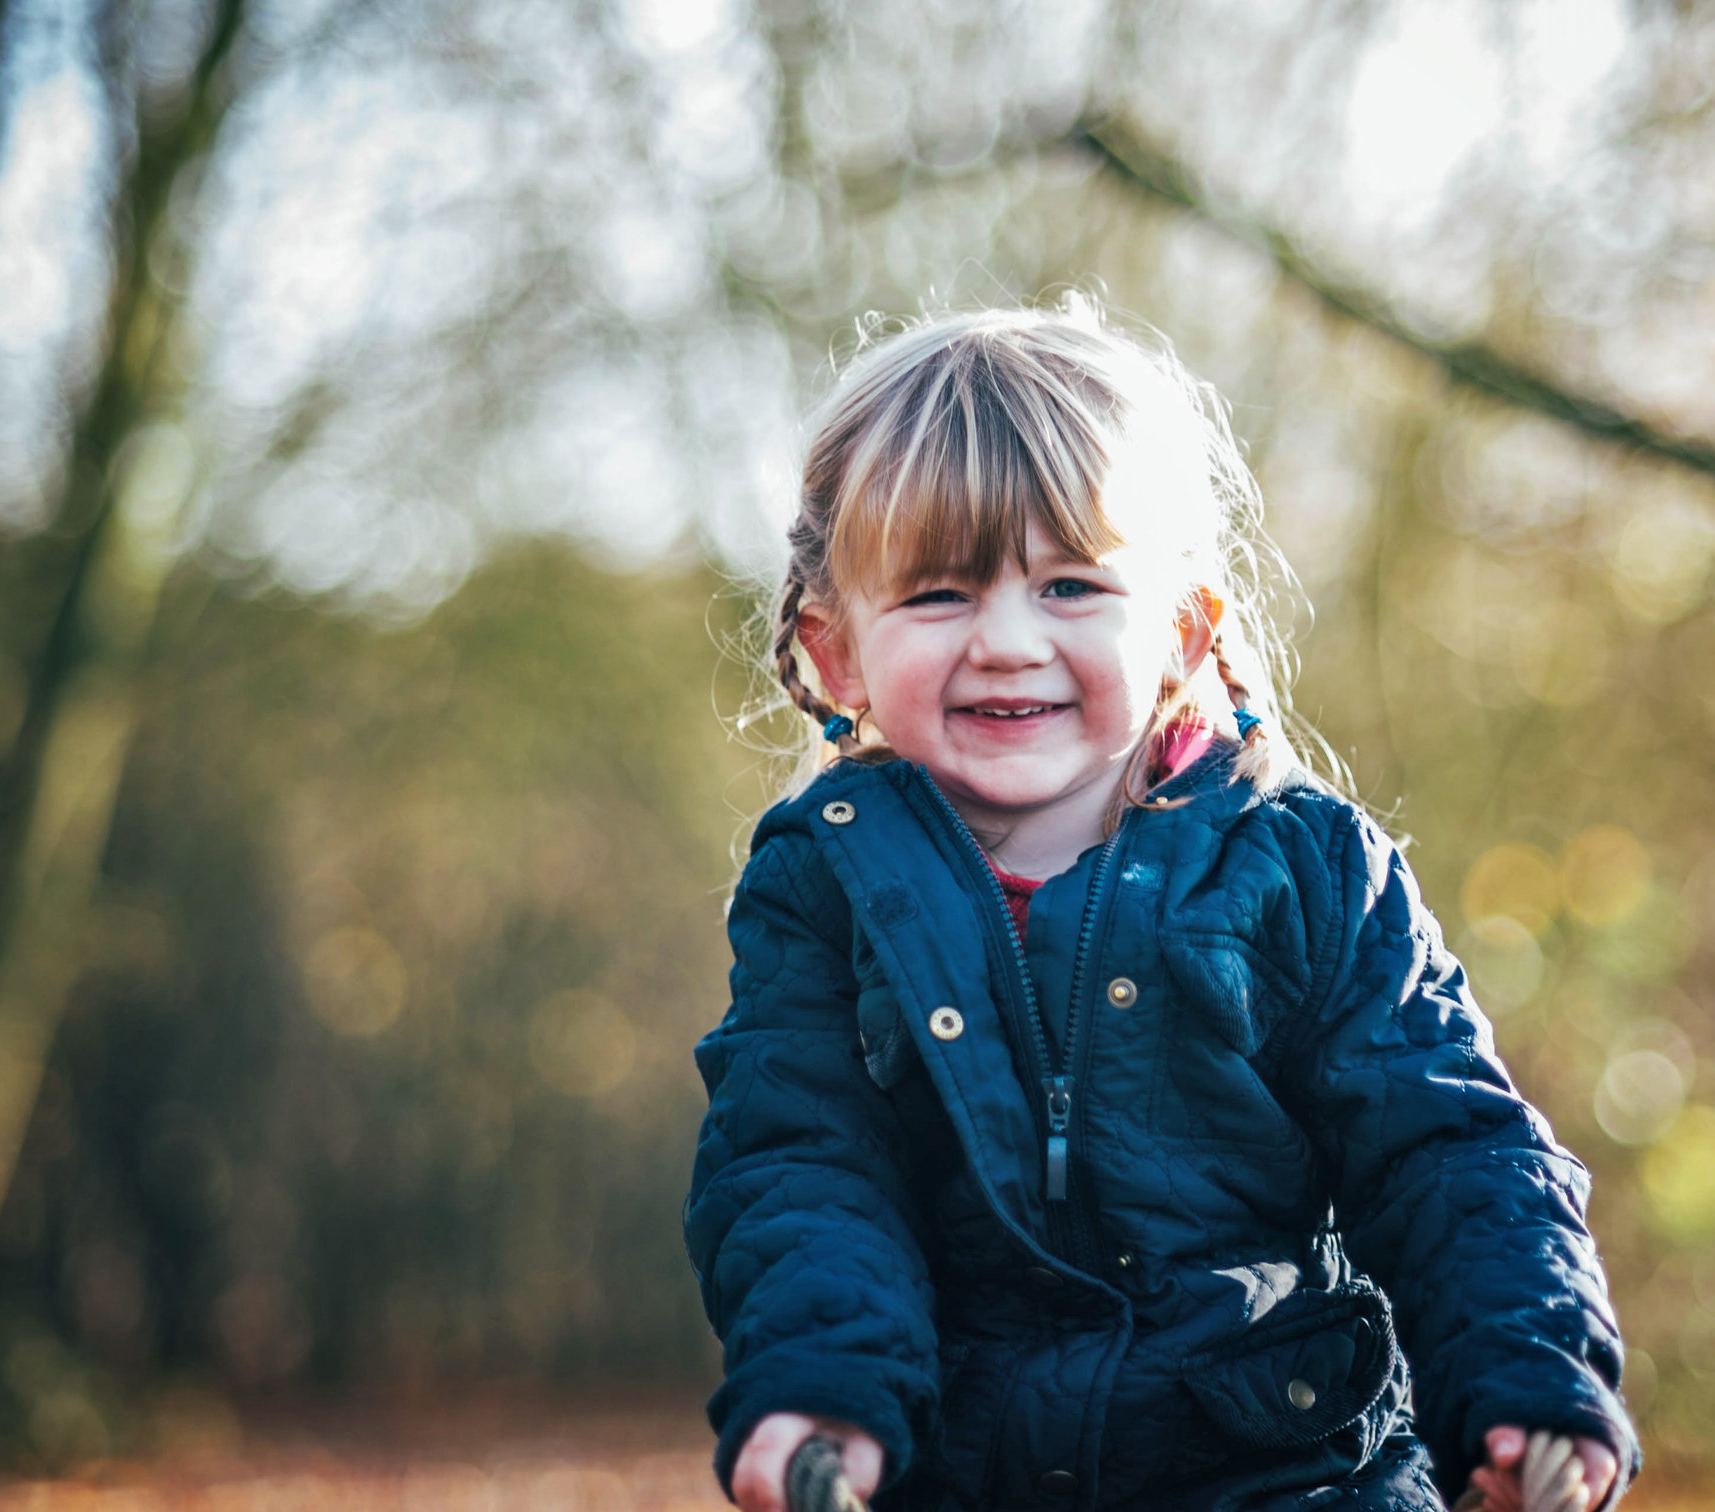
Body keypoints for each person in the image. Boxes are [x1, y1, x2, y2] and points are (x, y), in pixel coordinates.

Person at [685, 300, 1637, 1512]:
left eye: (1072, 584)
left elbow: (1449, 1147)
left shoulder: (1299, 865)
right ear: (836, 654)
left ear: (1182, 627)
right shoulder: (822, 886)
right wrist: (822, 1389)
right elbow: (800, 1161)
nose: (1008, 640)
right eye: (937, 594)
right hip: (966, 1470)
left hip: (1286, 1470)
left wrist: (1525, 1375)